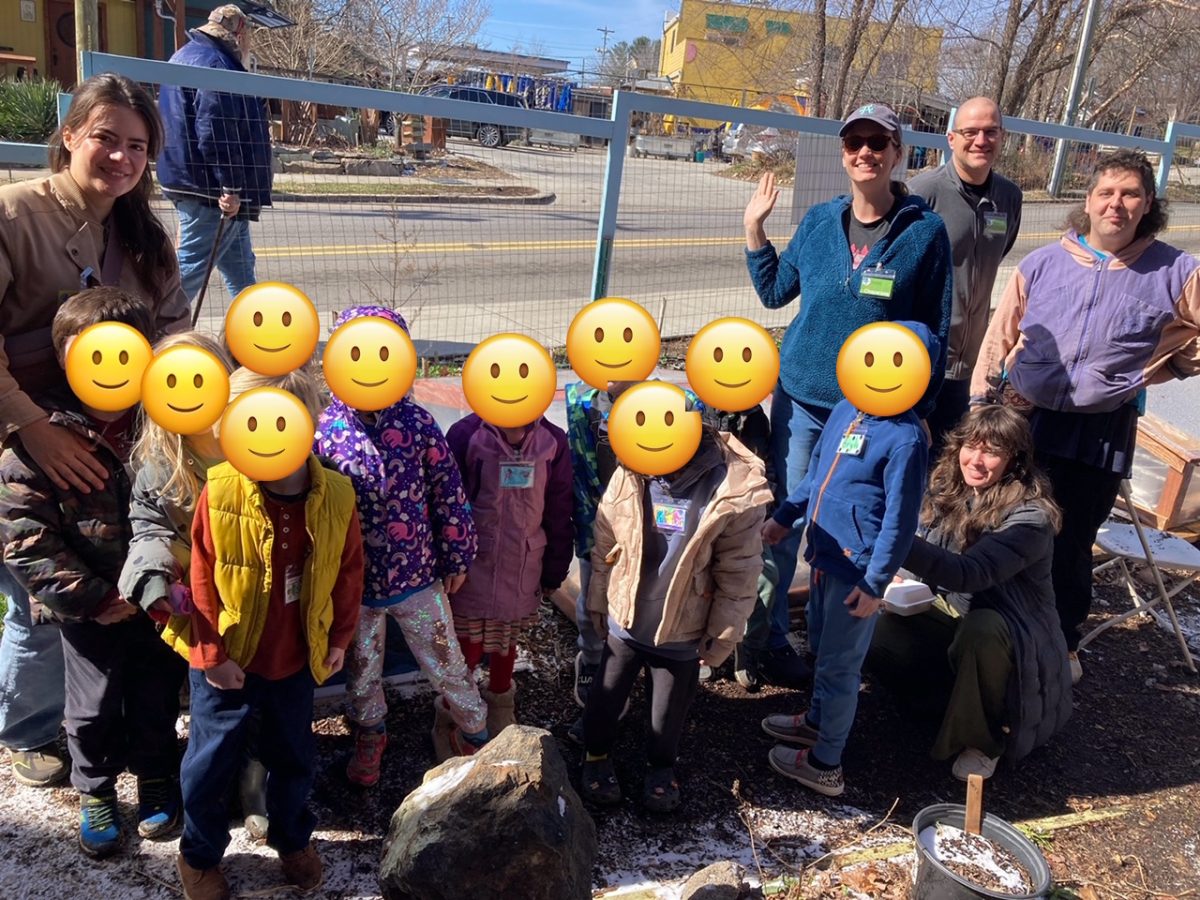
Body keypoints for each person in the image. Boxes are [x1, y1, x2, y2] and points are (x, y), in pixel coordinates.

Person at [0, 72, 189, 788]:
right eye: (106, 137)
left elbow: (173, 334)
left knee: (118, 584)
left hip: (122, 440)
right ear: (70, 134)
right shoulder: (14, 216)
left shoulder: (143, 235)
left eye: (137, 147)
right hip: (28, 435)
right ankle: (28, 727)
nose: (120, 157)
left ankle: (127, 718)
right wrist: (32, 432)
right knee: (37, 593)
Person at [744, 102, 952, 691]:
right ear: (843, 153)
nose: (865, 152)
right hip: (803, 398)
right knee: (784, 520)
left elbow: (934, 331)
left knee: (854, 531)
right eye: (854, 142)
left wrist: (921, 410)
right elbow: (774, 291)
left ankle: (837, 653)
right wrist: (755, 230)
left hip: (871, 414)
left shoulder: (923, 232)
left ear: (897, 153)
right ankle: (767, 641)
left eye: (877, 143)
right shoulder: (817, 221)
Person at [972, 149, 1200, 683]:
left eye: (1130, 194)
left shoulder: (1175, 269)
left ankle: (1061, 645)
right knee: (1001, 526)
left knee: (1070, 540)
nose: (1116, 204)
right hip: (1026, 422)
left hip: (1099, 432)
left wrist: (1165, 368)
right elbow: (999, 338)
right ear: (1089, 201)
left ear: (1147, 205)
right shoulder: (1044, 263)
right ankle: (989, 624)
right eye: (1106, 192)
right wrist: (984, 406)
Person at [0, 288, 185, 858]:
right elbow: (25, 540)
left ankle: (156, 775)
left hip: (157, 599)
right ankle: (96, 787)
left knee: (157, 695)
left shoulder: (168, 424)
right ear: (64, 359)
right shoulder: (39, 443)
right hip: (87, 607)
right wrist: (95, 598)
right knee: (92, 704)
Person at [165, 366, 363, 900]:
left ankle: (291, 837)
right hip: (225, 660)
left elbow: (349, 573)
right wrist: (210, 654)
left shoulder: (337, 496)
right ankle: (198, 855)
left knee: (293, 755)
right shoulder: (222, 489)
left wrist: (340, 638)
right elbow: (201, 574)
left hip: (294, 659)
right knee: (210, 763)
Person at [759, 321, 937, 798]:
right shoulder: (845, 410)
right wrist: (784, 516)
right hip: (822, 554)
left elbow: (900, 522)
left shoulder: (905, 439)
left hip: (857, 570)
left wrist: (876, 583)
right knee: (821, 645)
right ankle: (817, 721)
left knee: (840, 666)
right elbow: (815, 475)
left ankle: (825, 763)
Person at [313, 306, 486, 782]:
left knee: (444, 656)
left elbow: (448, 491)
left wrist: (457, 553)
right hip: (357, 585)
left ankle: (473, 731)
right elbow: (315, 505)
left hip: (417, 576)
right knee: (361, 667)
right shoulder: (325, 430)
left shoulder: (417, 423)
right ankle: (370, 733)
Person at [116, 330, 271, 841]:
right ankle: (206, 789)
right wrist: (153, 575)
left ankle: (254, 785)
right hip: (201, 606)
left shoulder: (256, 434)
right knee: (212, 707)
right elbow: (151, 528)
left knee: (263, 702)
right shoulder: (160, 464)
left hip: (263, 600)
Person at [868, 405, 1072, 781]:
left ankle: (984, 739)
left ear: (1015, 460)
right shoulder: (946, 485)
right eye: (970, 446)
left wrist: (892, 540)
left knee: (982, 630)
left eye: (991, 452)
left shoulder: (1030, 517)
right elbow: (925, 548)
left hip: (1014, 632)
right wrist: (897, 576)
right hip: (946, 612)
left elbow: (970, 573)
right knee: (872, 630)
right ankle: (942, 704)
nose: (976, 461)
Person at [580, 425, 772, 811]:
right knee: (606, 695)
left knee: (668, 711)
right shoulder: (632, 466)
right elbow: (605, 538)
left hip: (684, 625)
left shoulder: (733, 487)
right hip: (628, 617)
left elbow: (740, 570)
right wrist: (599, 600)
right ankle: (595, 756)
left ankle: (660, 765)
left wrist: (723, 633)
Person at [446, 407, 573, 736]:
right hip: (473, 566)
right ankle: (452, 715)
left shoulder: (553, 441)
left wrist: (554, 569)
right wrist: (450, 559)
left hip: (522, 563)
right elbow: (446, 503)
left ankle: (501, 705)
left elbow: (559, 510)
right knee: (467, 645)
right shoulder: (466, 435)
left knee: (505, 641)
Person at [909, 97, 1023, 456]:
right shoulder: (923, 193)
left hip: (971, 363)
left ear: (1002, 137)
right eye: (970, 132)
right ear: (951, 138)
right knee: (912, 457)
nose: (981, 141)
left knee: (953, 461)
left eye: (990, 132)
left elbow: (992, 256)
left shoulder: (1009, 197)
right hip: (922, 361)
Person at [157, 4, 273, 304]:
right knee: (192, 268)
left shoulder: (183, 56)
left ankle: (250, 333)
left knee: (241, 269)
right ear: (240, 32)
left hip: (192, 179)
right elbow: (215, 131)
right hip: (209, 189)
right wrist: (231, 187)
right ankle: (157, 333)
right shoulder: (218, 65)